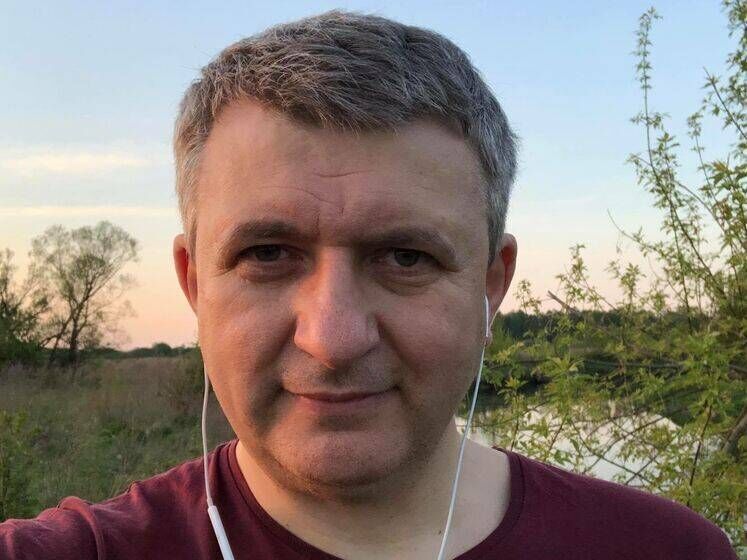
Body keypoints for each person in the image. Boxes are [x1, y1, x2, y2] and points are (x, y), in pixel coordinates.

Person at [0, 10, 738, 560]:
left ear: (491, 286)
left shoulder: (668, 551)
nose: (334, 337)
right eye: (267, 253)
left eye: (405, 258)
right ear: (195, 283)